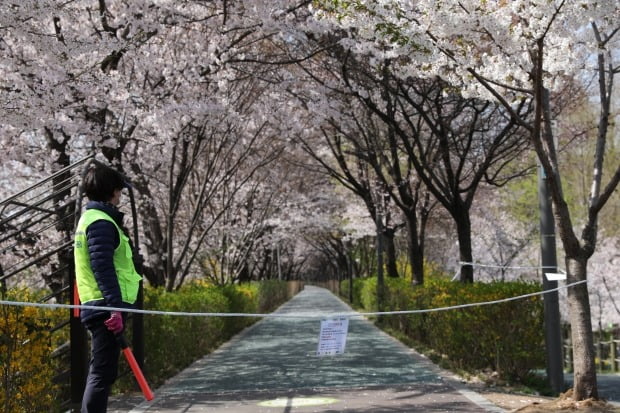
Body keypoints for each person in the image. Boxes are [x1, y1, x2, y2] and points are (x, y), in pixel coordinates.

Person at [74, 163, 142, 413]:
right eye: (119, 191)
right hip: (106, 307)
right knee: (102, 373)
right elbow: (102, 267)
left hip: (101, 304)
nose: (120, 196)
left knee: (103, 372)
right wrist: (114, 308)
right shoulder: (101, 222)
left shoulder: (90, 219)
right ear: (112, 191)